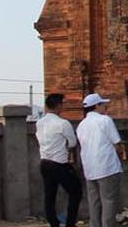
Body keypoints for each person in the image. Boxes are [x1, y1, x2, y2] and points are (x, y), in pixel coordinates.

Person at [77, 94, 124, 227]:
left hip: (90, 168)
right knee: (109, 201)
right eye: (102, 104)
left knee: (94, 202)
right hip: (107, 166)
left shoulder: (82, 125)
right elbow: (117, 142)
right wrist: (118, 157)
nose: (105, 106)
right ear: (96, 106)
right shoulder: (105, 120)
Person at [38, 93, 83, 227]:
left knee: (50, 195)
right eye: (62, 103)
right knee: (76, 192)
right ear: (58, 105)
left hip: (45, 162)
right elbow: (73, 143)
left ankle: (54, 222)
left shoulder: (40, 123)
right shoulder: (63, 123)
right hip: (59, 163)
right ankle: (70, 222)